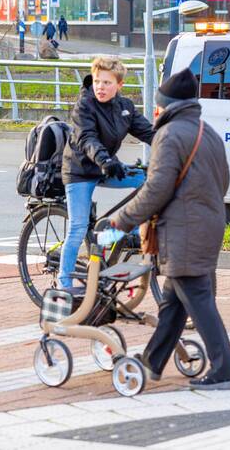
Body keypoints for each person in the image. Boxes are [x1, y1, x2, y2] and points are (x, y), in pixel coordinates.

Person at [109, 70, 230, 390]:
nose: (155, 111)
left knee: (198, 298)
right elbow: (224, 179)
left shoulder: (169, 136)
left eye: (158, 106)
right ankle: (152, 362)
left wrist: (122, 218)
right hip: (207, 224)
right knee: (174, 301)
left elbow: (157, 189)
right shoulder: (205, 131)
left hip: (184, 230)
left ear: (168, 106)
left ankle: (225, 371)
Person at [58, 56, 155, 294]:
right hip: (80, 171)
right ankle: (64, 284)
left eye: (107, 83)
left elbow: (149, 132)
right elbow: (87, 139)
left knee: (147, 182)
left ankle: (125, 231)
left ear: (119, 86)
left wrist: (174, 145)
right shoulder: (84, 106)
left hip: (106, 166)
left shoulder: (125, 108)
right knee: (78, 228)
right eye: (98, 81)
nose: (100, 87)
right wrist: (106, 160)